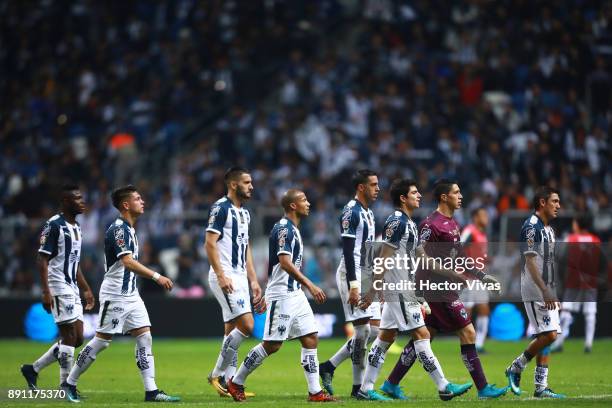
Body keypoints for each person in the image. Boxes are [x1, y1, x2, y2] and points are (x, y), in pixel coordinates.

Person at [383, 179, 507, 399]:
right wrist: (420, 293)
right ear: (444, 197)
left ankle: (391, 383)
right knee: (468, 332)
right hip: (437, 290)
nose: (461, 196)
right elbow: (422, 259)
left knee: (424, 338)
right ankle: (483, 388)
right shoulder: (431, 225)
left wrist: (482, 276)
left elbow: (461, 257)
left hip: (443, 287)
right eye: (456, 192)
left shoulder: (452, 223)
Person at [356, 179, 473, 401]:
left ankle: (366, 388)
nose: (419, 195)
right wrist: (373, 289)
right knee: (423, 333)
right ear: (403, 198)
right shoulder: (396, 222)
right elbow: (383, 257)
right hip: (398, 289)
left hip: (403, 288)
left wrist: (453, 274)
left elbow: (425, 260)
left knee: (385, 337)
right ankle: (444, 385)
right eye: (414, 192)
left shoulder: (410, 223)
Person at [62, 185, 180, 403]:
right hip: (115, 294)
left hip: (132, 294)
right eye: (137, 198)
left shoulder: (131, 229)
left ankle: (151, 391)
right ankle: (69, 383)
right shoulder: (118, 229)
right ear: (126, 205)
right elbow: (127, 262)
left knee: (145, 336)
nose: (142, 201)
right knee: (102, 341)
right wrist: (157, 276)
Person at [227, 189, 335, 402]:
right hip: (282, 294)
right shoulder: (284, 228)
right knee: (272, 345)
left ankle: (315, 392)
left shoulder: (294, 229)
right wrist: (310, 284)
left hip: (295, 293)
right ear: (293, 206)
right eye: (304, 199)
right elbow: (284, 262)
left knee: (311, 338)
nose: (308, 203)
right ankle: (236, 381)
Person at [21, 184, 95, 391]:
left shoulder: (77, 227)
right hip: (57, 285)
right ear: (65, 202)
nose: (82, 202)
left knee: (78, 337)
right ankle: (65, 386)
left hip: (71, 286)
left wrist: (86, 288)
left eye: (82, 198)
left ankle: (32, 369)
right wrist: (46, 291)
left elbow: (75, 262)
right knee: (68, 336)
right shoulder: (53, 225)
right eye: (77, 199)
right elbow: (41, 259)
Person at [319, 169, 380, 397]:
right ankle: (358, 388)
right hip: (350, 275)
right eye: (373, 185)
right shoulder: (350, 212)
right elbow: (347, 250)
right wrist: (354, 285)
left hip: (366, 275)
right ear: (361, 187)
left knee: (374, 329)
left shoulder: (369, 213)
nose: (378, 188)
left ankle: (329, 366)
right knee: (363, 330)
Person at [206, 167, 265, 398]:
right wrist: (221, 275)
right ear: (233, 185)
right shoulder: (220, 208)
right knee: (247, 326)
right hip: (226, 275)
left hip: (240, 276)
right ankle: (217, 374)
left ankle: (229, 385)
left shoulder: (245, 213)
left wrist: (254, 279)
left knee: (231, 330)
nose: (251, 186)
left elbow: (245, 246)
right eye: (247, 182)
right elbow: (209, 243)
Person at [505, 186, 566, 398]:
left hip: (547, 288)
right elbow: (530, 262)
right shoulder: (531, 227)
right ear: (542, 202)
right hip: (534, 288)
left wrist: (553, 291)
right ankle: (516, 366)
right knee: (548, 334)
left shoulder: (549, 229)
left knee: (549, 335)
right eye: (555, 201)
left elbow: (548, 263)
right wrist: (545, 290)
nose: (558, 206)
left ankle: (541, 387)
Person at [551, 215, 603, 353]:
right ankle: (588, 344)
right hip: (591, 282)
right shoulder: (596, 240)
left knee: (567, 310)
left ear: (578, 225)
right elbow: (601, 260)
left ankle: (559, 343)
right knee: (590, 312)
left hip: (573, 281)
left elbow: (560, 257)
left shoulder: (571, 239)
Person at [460, 207, 491, 353]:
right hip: (468, 278)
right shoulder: (470, 231)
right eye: (483, 214)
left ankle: (479, 344)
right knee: (467, 311)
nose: (487, 217)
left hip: (480, 279)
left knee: (484, 309)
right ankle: (467, 342)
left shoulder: (482, 234)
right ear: (475, 217)